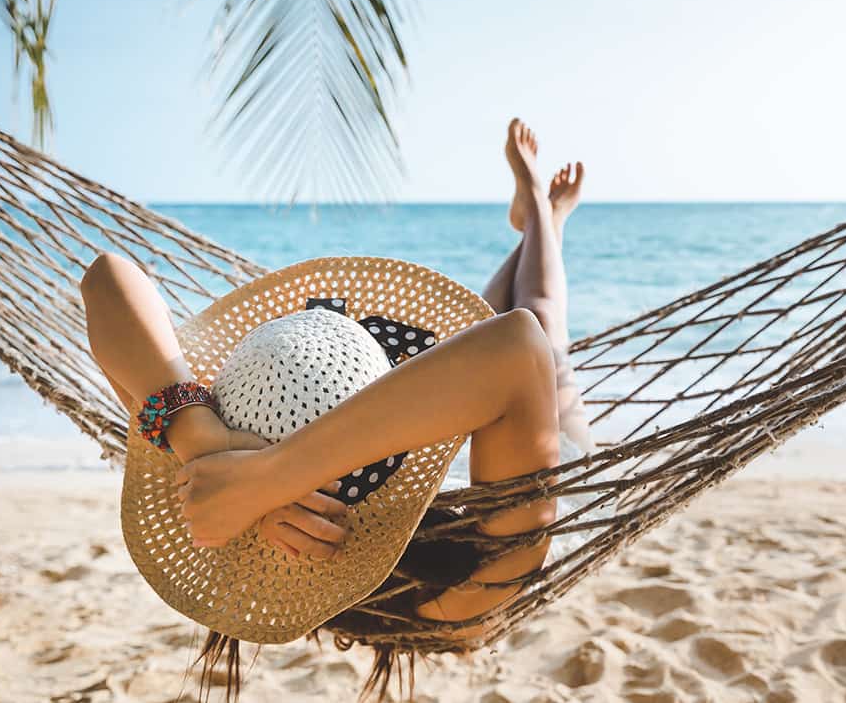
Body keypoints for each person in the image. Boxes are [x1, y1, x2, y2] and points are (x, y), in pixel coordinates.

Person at [79, 118, 591, 623]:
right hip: (524, 451)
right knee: (544, 319)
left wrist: (206, 443)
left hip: (432, 408)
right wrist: (264, 480)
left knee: (488, 327)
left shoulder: (206, 488)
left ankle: (540, 218)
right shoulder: (466, 585)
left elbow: (105, 280)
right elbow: (521, 346)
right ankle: (545, 216)